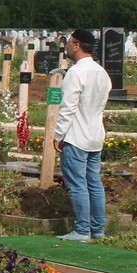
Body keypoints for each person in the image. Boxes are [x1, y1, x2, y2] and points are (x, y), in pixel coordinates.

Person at [53, 28, 112, 241]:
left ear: (77, 45)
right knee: (94, 182)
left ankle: (82, 230)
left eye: (68, 42)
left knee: (77, 183)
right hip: (95, 133)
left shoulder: (76, 72)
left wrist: (58, 134)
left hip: (77, 135)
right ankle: (98, 228)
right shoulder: (101, 72)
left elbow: (68, 107)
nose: (67, 46)